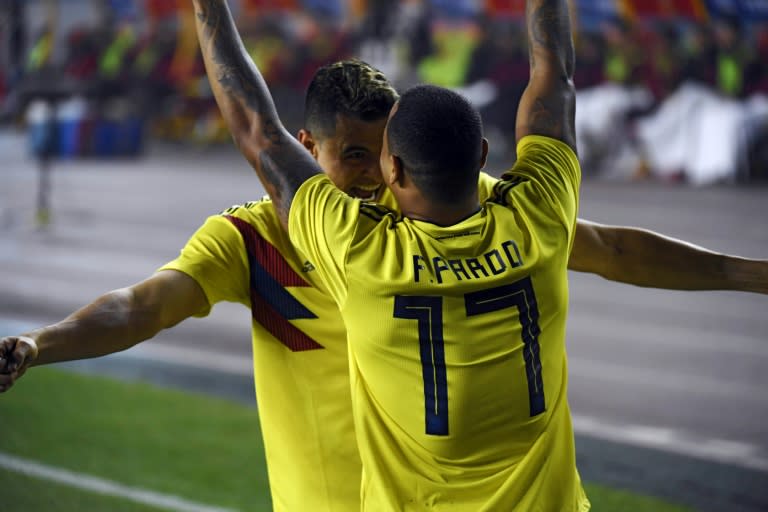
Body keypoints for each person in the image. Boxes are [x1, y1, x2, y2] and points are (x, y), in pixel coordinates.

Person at [2, 3, 768, 511]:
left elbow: (609, 248)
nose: (372, 174)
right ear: (313, 152)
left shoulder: (373, 235)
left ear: (406, 159)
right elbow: (142, 306)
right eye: (354, 155)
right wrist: (42, 342)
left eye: (384, 153)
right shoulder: (256, 240)